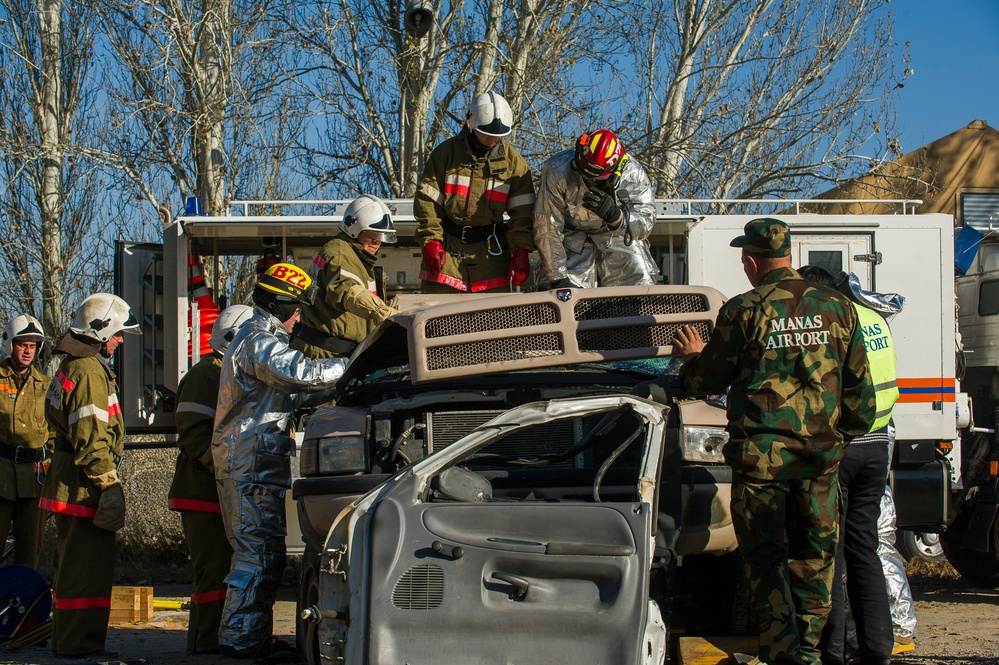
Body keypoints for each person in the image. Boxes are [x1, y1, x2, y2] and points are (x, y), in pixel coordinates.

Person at [671, 218, 875, 665]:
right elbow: (861, 393)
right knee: (815, 558)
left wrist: (689, 361)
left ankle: (785, 656)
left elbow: (706, 380)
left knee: (766, 561)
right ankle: (806, 651)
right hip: (819, 460)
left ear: (750, 260)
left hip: (761, 462)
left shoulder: (745, 310)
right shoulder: (839, 307)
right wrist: (839, 438)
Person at [212, 262, 346, 660]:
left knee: (261, 554)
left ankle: (247, 639)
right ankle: (242, 643)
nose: (300, 317)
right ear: (280, 305)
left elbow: (288, 393)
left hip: (253, 464)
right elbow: (302, 372)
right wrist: (353, 364)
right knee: (257, 556)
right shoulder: (258, 341)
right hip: (249, 465)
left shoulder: (257, 340)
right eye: (297, 308)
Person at [799, 267, 907, 665]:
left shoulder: (832, 320)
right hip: (879, 442)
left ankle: (833, 650)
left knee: (834, 552)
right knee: (866, 547)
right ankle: (878, 648)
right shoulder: (874, 317)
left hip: (843, 443)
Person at [40, 293, 140, 658]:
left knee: (72, 569)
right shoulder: (87, 371)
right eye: (118, 333)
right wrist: (108, 483)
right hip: (84, 487)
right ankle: (77, 646)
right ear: (101, 332)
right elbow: (91, 437)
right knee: (85, 573)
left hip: (72, 482)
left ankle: (72, 642)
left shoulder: (73, 366)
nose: (120, 340)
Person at [168, 304, 253, 655]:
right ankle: (205, 643)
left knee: (223, 566)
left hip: (220, 489)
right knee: (214, 568)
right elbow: (192, 433)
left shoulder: (229, 371)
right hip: (203, 491)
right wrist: (224, 469)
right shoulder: (206, 374)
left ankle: (214, 638)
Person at [415, 91, 536, 293]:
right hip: (447, 253)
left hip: (491, 258)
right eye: (486, 133)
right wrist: (431, 240)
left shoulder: (514, 163)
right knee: (439, 316)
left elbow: (523, 213)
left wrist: (521, 250)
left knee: (492, 320)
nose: (491, 139)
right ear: (471, 125)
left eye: (497, 136)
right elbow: (427, 202)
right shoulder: (446, 154)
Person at [534, 128, 658, 288]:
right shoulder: (557, 170)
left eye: (595, 179)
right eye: (584, 175)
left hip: (616, 236)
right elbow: (546, 224)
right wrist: (557, 277)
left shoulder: (633, 173)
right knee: (555, 292)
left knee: (641, 281)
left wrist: (617, 218)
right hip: (570, 238)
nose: (589, 181)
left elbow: (646, 221)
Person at [293, 194, 398, 359]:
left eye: (381, 236)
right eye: (372, 234)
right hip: (325, 355)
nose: (377, 242)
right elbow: (347, 290)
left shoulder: (355, 257)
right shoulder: (340, 252)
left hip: (333, 353)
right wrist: (383, 313)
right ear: (354, 229)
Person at [0, 314, 54, 567]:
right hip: (1, 477)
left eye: (33, 346)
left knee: (29, 552)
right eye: (23, 344)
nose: (28, 351)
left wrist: (50, 464)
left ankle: (24, 604)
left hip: (34, 480)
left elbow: (55, 430)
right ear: (10, 345)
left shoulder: (46, 386)